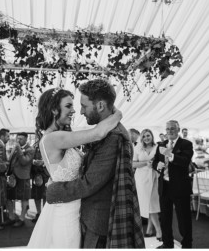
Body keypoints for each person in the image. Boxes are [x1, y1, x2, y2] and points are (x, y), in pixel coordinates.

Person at [36, 79, 145, 248]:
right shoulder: (53, 138)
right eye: (69, 106)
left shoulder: (112, 136)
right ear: (53, 109)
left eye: (82, 106)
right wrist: (117, 114)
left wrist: (54, 190)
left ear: (100, 105)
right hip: (69, 212)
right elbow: (96, 134)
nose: (77, 111)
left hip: (87, 214)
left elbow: (90, 181)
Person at [154, 120, 194, 249]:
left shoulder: (186, 144)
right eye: (168, 129)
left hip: (180, 187)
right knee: (165, 218)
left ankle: (187, 245)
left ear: (178, 129)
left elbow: (185, 161)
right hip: (164, 186)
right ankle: (167, 244)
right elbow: (155, 162)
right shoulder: (161, 144)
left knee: (184, 219)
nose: (169, 131)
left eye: (172, 128)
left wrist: (170, 155)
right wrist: (157, 166)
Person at [132, 129, 161, 239]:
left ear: (152, 136)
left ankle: (150, 228)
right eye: (144, 136)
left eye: (148, 135)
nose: (146, 138)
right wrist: (145, 163)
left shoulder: (157, 147)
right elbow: (133, 164)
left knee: (152, 204)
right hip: (142, 179)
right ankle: (159, 230)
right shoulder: (137, 148)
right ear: (141, 138)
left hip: (155, 177)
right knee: (147, 204)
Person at [6, 133, 34, 227]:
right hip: (13, 177)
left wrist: (18, 149)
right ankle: (11, 217)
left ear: (26, 139)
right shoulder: (16, 147)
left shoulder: (30, 149)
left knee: (24, 198)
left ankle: (22, 218)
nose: (18, 141)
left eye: (21, 139)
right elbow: (10, 159)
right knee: (9, 197)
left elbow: (24, 161)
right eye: (17, 139)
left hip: (23, 177)